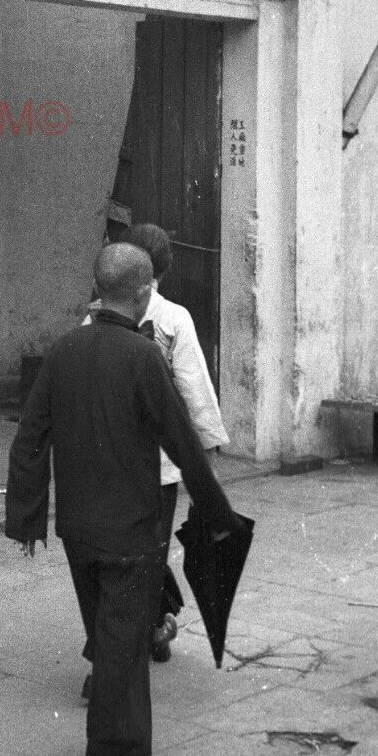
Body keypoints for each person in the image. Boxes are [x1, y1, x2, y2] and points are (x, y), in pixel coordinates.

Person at [6, 243, 243, 756]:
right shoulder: (143, 358)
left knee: (108, 634)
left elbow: (28, 441)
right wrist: (219, 515)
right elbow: (183, 444)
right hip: (133, 528)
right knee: (121, 644)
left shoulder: (62, 351)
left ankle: (106, 755)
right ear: (141, 295)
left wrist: (26, 520)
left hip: (78, 529)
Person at [83, 222, 229, 672]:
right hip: (158, 466)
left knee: (119, 553)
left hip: (105, 461)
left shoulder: (94, 318)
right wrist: (205, 453)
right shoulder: (174, 319)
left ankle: (146, 629)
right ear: (162, 268)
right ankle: (132, 642)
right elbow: (195, 392)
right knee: (149, 552)